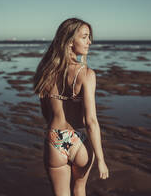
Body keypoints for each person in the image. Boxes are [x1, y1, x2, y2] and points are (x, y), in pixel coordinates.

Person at [33, 18, 109, 196]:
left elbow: (46, 111)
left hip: (55, 139)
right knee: (79, 189)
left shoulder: (45, 71)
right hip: (79, 140)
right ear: (69, 41)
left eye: (89, 37)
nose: (89, 41)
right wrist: (101, 159)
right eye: (84, 37)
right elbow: (91, 121)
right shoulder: (86, 74)